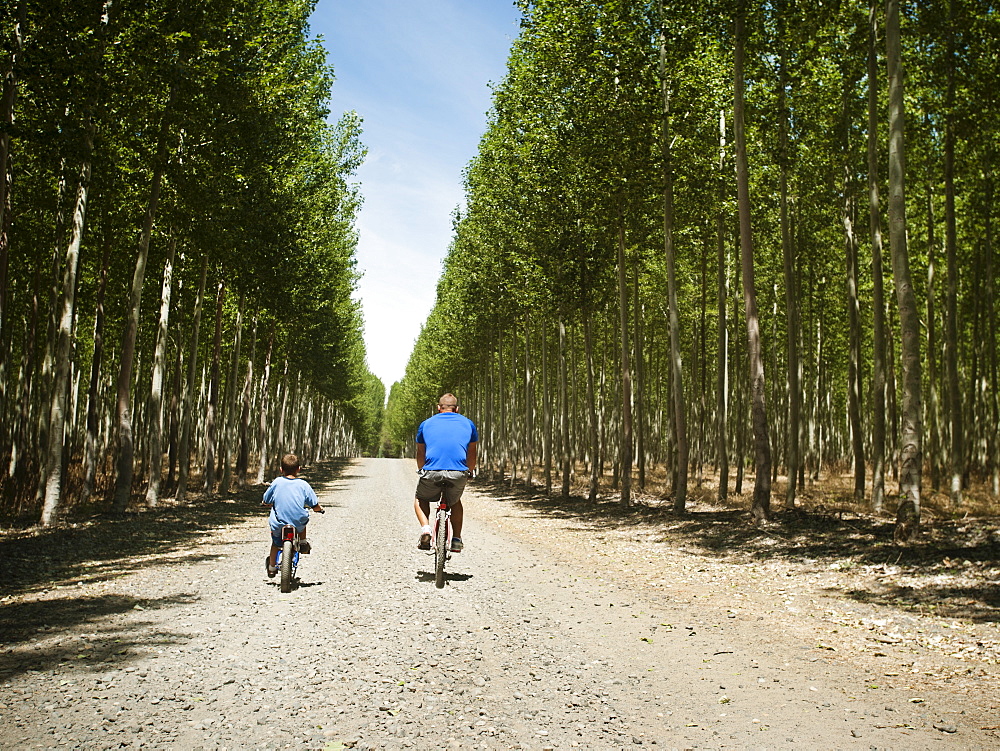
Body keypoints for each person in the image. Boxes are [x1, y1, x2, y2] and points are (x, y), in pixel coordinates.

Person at [414, 393, 478, 552]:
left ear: (438, 408)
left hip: (431, 471)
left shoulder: (426, 424)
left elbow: (420, 451)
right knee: (454, 500)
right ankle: (456, 539)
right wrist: (469, 471)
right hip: (458, 472)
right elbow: (472, 453)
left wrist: (422, 469)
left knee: (421, 497)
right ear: (457, 409)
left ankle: (426, 530)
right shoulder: (468, 424)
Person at [262, 453, 322, 578]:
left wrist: (265, 503)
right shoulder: (303, 485)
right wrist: (319, 509)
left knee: (275, 544)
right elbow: (314, 503)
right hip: (297, 522)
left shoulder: (277, 482)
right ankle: (303, 542)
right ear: (298, 469)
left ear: (281, 469)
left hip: (278, 523)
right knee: (302, 519)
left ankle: (272, 567)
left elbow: (266, 499)